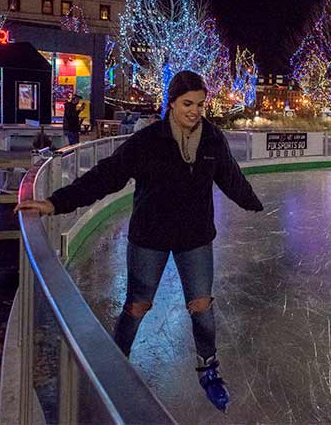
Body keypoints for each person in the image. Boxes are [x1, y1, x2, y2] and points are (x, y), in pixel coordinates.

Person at [15, 71, 263, 413]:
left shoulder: (212, 140)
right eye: (187, 104)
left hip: (195, 238)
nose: (195, 111)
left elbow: (230, 177)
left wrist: (251, 200)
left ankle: (208, 367)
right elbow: (107, 174)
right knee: (137, 306)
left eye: (200, 104)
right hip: (150, 238)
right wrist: (55, 202)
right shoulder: (149, 141)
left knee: (202, 307)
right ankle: (117, 365)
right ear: (171, 103)